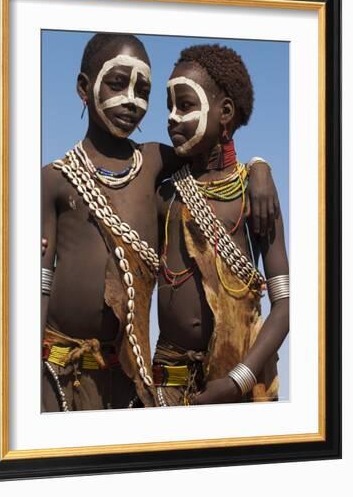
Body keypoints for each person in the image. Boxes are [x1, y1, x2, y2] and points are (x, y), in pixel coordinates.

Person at [41, 33, 279, 412]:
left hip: (129, 376)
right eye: (118, 83)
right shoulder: (56, 178)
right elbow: (35, 286)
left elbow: (212, 157)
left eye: (143, 90)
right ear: (84, 88)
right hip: (59, 370)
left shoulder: (152, 163)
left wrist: (260, 168)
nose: (132, 101)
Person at [153, 44, 289, 407]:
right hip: (168, 384)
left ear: (225, 112)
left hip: (241, 384)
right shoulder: (165, 194)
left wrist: (236, 381)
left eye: (185, 105)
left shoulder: (255, 196)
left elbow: (284, 305)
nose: (171, 117)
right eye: (168, 106)